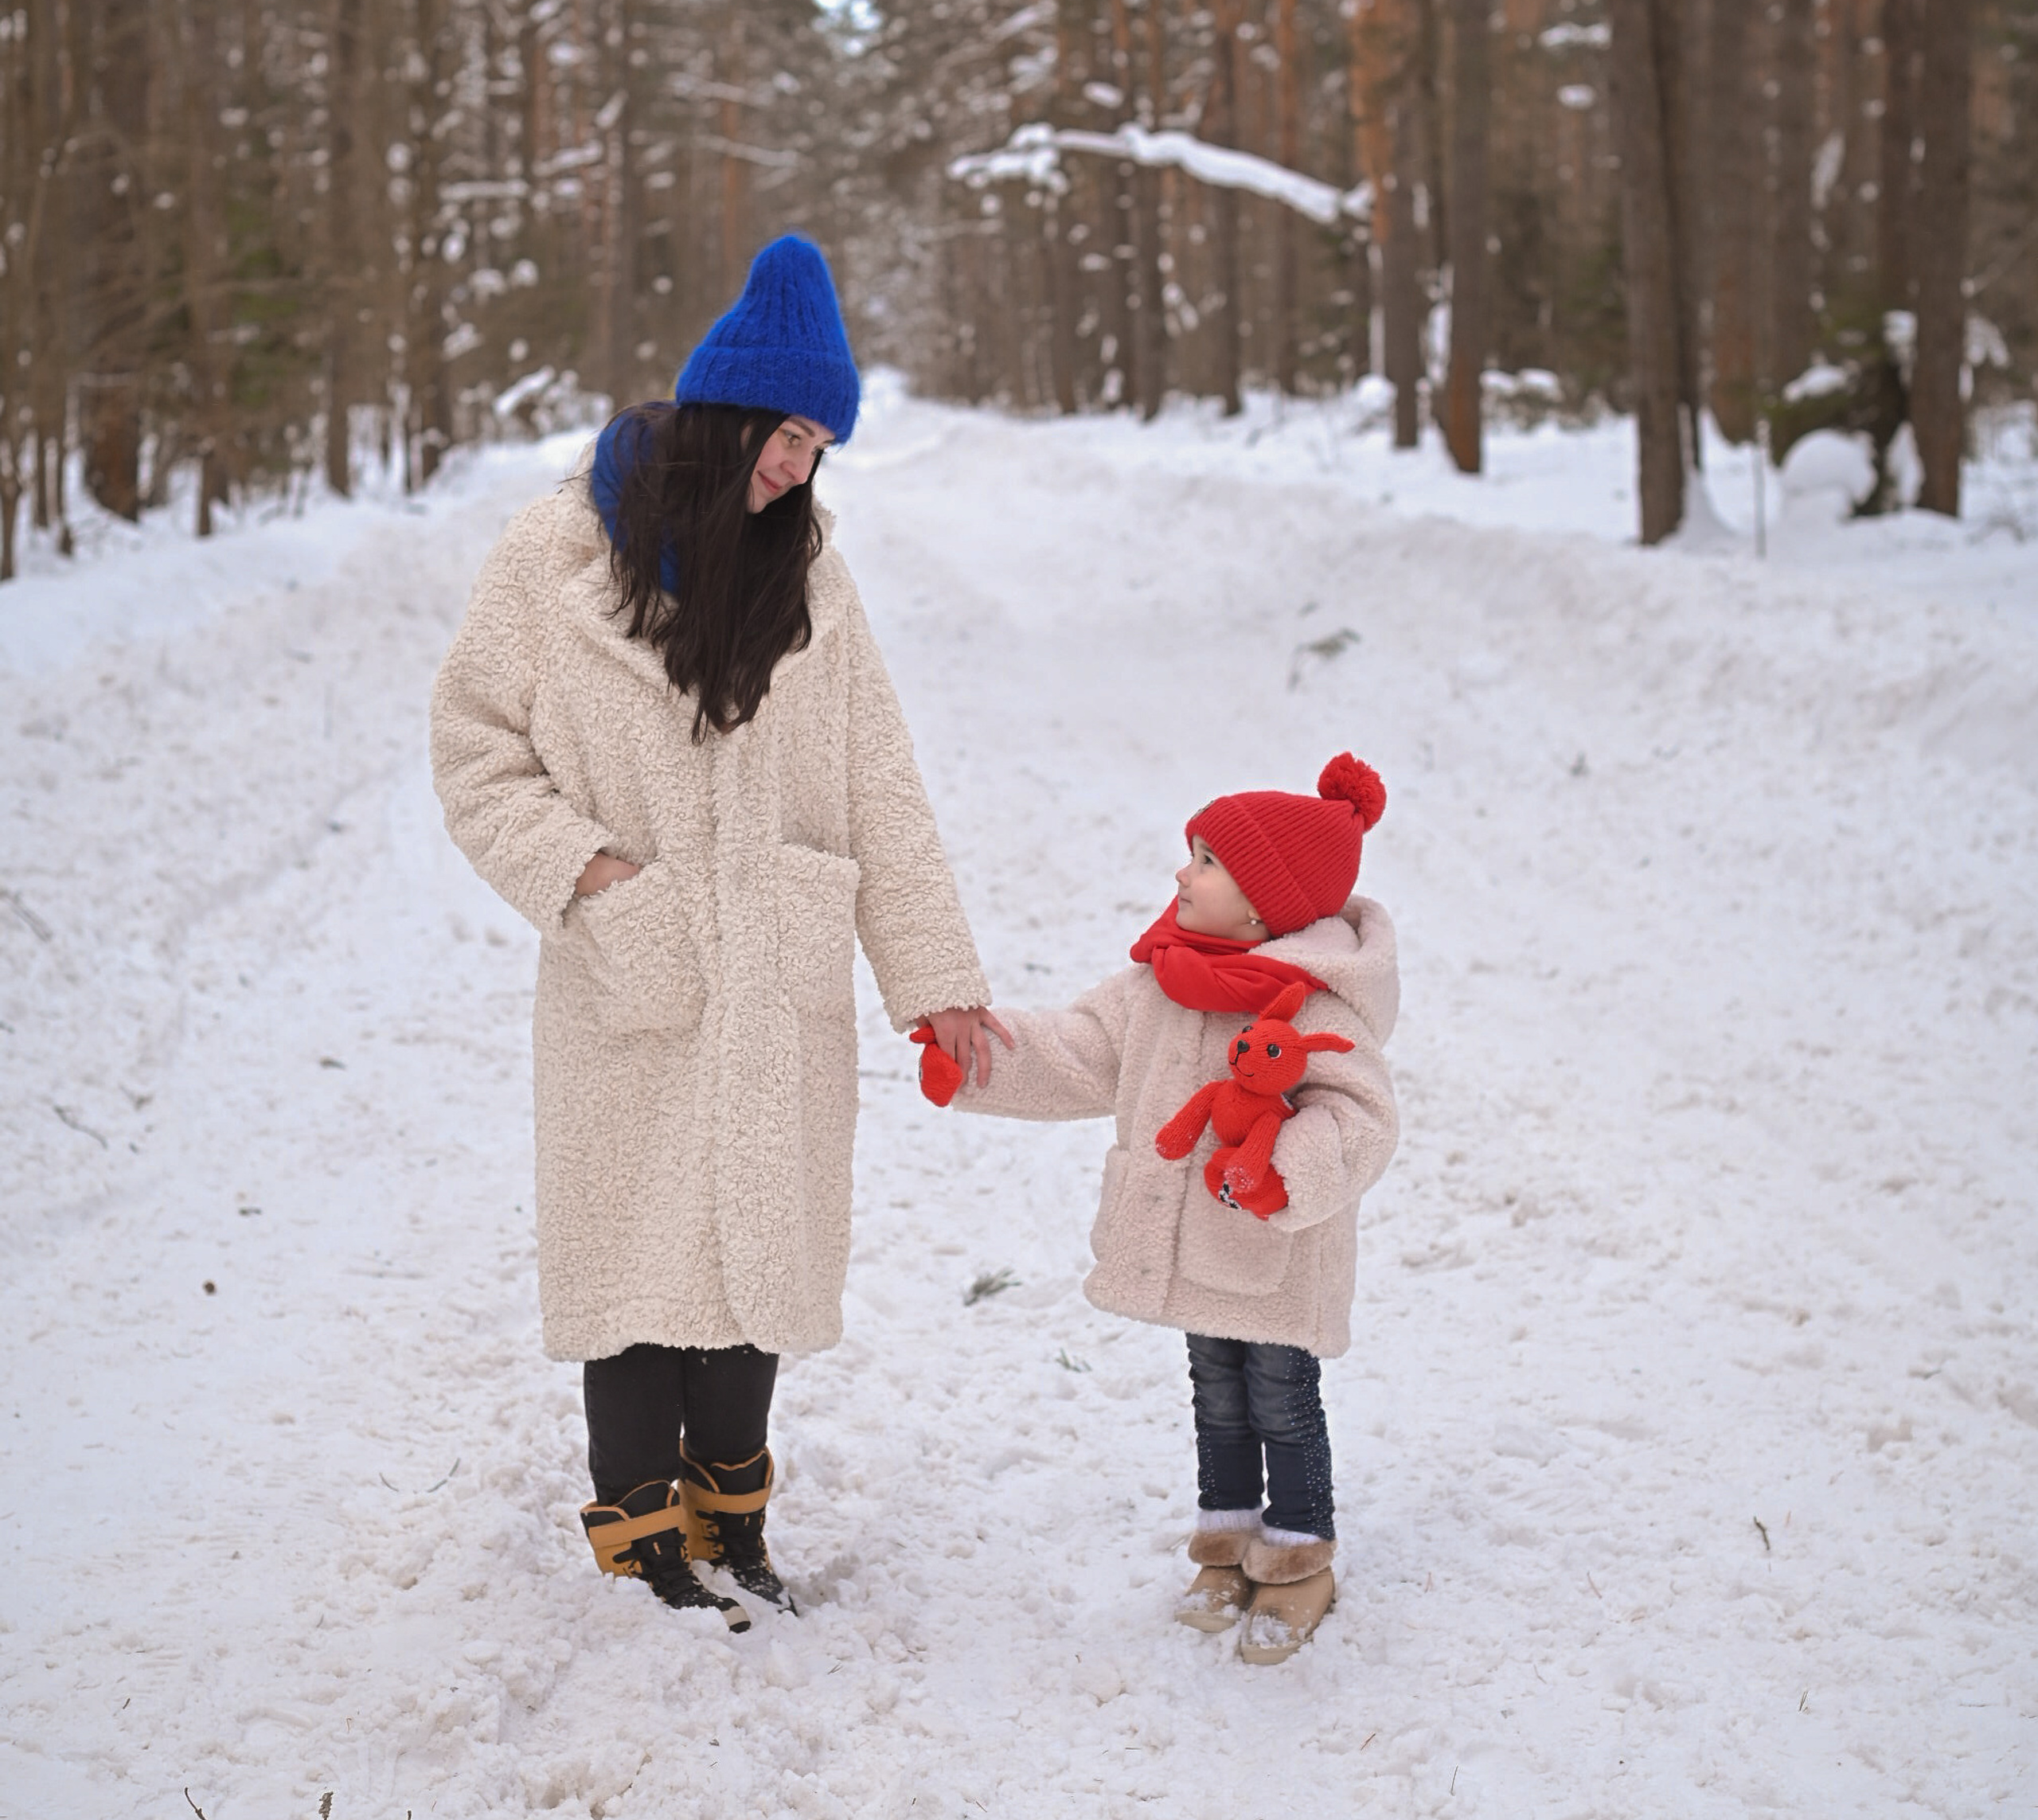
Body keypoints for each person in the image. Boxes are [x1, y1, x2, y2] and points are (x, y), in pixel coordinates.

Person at [429, 232, 1007, 1630]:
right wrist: (591, 875)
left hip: (775, 965)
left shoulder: (812, 579)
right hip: (627, 963)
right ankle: (640, 1539)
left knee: (757, 1256)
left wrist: (935, 980)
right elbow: (474, 750)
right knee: (634, 1258)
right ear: (727, 417)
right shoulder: (555, 557)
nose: (799, 470)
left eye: (821, 448)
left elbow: (880, 786)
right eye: (789, 437)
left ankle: (732, 1521)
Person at [931, 756, 1398, 1662]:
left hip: (1272, 1255)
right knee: (1216, 1397)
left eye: (1208, 861)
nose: (1183, 873)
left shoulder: (1312, 1008)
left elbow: (1361, 1118)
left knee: (1281, 1400)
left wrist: (1286, 1173)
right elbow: (1078, 1048)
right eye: (1192, 853)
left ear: (1262, 906)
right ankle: (1226, 1547)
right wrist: (975, 1058)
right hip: (1191, 1252)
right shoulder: (1162, 984)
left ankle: (1299, 1558)